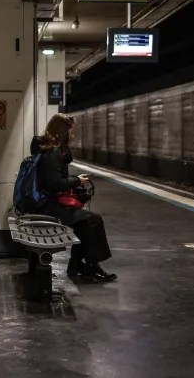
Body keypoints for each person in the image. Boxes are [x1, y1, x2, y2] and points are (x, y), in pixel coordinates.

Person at [29, 113, 116, 283]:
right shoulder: (53, 153)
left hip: (43, 203)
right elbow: (55, 183)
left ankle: (78, 265)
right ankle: (89, 266)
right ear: (63, 131)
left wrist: (74, 181)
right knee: (93, 220)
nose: (72, 135)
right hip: (48, 206)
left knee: (85, 221)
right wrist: (77, 181)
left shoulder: (43, 148)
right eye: (70, 131)